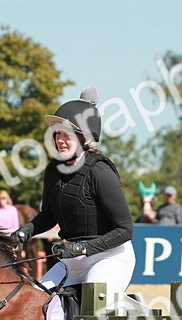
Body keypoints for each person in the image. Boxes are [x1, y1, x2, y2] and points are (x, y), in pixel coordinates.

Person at [11, 87, 135, 300]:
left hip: (109, 258)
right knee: (33, 302)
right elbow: (49, 216)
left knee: (92, 306)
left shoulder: (100, 171)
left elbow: (125, 230)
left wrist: (82, 248)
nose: (60, 140)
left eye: (66, 134)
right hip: (72, 261)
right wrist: (23, 233)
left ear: (85, 137)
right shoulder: (53, 170)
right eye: (57, 134)